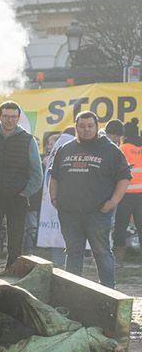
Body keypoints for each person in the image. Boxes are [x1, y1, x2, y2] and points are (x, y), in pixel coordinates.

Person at [49, 111, 132, 288]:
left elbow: (124, 177)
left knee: (102, 253)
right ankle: (71, 292)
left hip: (97, 213)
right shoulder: (66, 149)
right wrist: (54, 198)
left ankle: (109, 293)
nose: (86, 129)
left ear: (97, 126)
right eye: (82, 126)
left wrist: (113, 202)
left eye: (90, 126)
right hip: (70, 213)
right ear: (76, 127)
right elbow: (54, 176)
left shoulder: (110, 150)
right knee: (73, 253)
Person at [0, 101, 42, 274]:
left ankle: (11, 279)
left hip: (17, 199)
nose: (10, 120)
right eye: (6, 116)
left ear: (19, 117)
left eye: (13, 117)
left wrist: (24, 193)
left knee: (15, 244)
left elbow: (37, 173)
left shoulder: (28, 140)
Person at [37, 133, 75, 266]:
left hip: (59, 203)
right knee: (66, 239)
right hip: (64, 202)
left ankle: (60, 266)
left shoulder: (57, 154)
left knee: (59, 239)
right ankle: (65, 268)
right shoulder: (65, 153)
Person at [112, 127, 142, 255]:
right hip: (141, 195)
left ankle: (118, 256)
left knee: (121, 225)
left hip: (125, 194)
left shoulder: (122, 149)